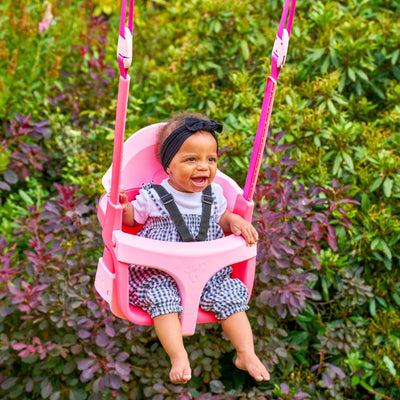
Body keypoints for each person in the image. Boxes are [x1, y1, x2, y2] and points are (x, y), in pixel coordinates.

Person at [118, 113, 270, 384]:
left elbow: (222, 218)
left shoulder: (214, 195)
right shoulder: (153, 195)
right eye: (191, 159)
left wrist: (235, 221)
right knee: (161, 300)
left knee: (231, 297)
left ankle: (246, 352)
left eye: (210, 159)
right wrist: (124, 207)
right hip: (160, 272)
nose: (203, 167)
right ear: (169, 166)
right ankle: (178, 355)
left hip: (206, 271)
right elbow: (132, 220)